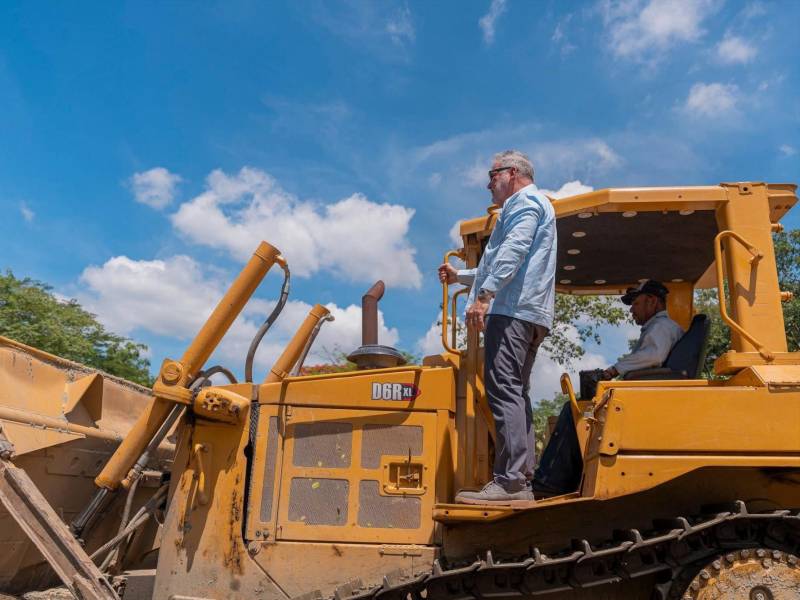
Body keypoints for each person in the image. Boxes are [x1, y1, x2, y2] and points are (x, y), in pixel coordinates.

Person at [438, 150, 557, 504]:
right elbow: (507, 260)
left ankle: (511, 482)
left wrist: (484, 296)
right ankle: (523, 476)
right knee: (516, 392)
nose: (488, 183)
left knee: (503, 389)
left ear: (513, 173)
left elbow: (514, 252)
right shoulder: (535, 206)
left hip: (512, 312)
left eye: (492, 175)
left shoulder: (523, 204)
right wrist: (462, 275)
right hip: (529, 313)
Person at [532, 280, 684, 497]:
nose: (631, 309)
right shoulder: (661, 328)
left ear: (652, 301)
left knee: (574, 412)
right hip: (647, 397)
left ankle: (549, 484)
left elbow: (653, 356)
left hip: (645, 402)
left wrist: (613, 370)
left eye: (636, 303)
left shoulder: (662, 328)